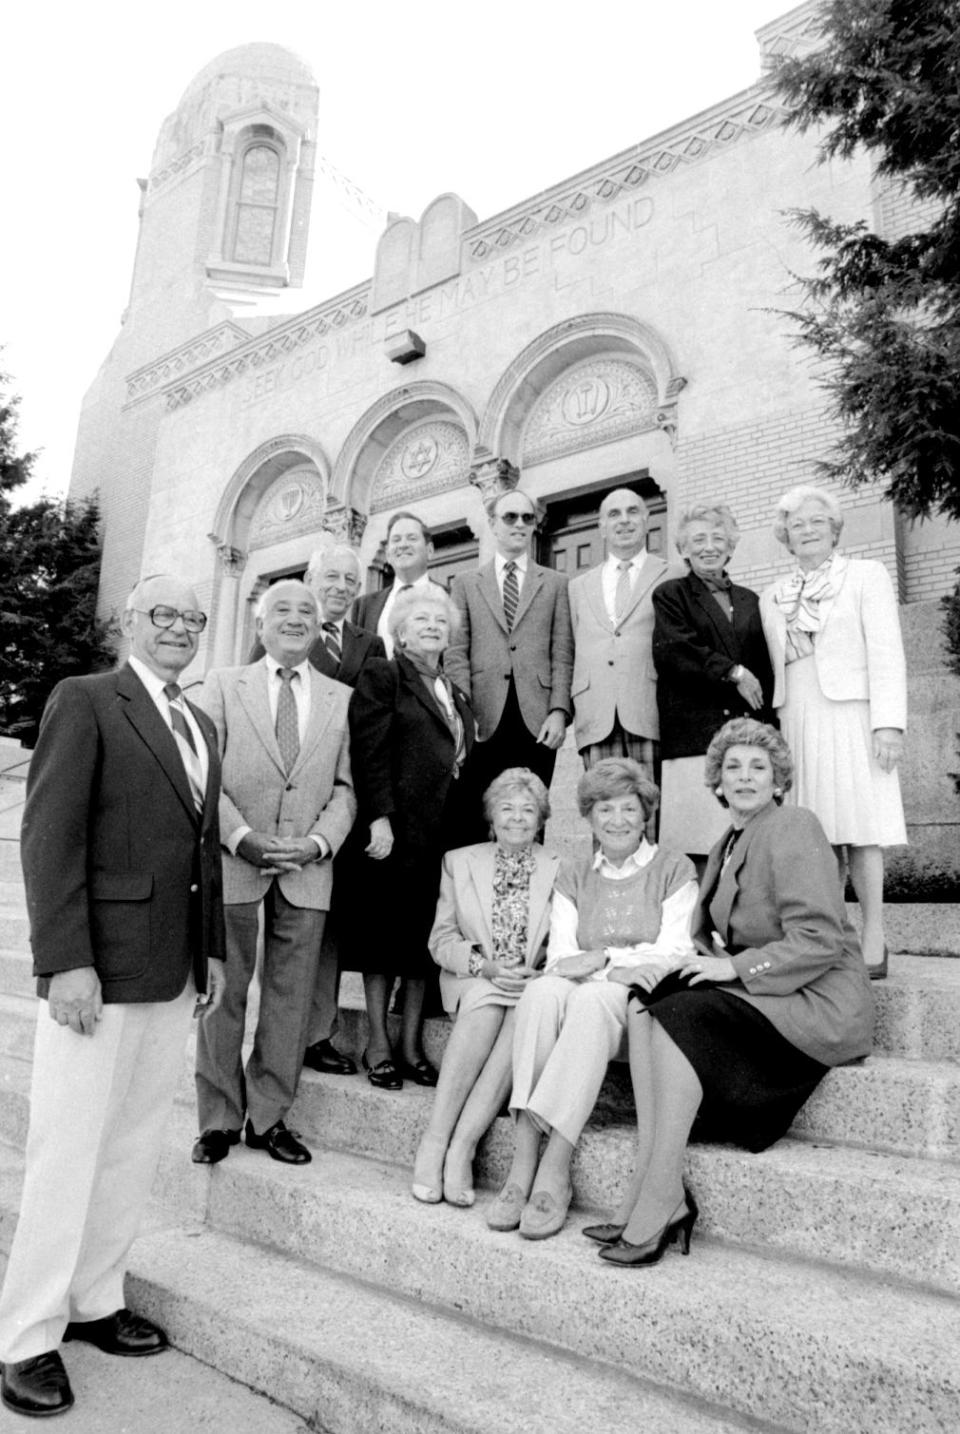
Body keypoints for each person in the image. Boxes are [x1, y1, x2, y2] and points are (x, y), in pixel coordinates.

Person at [0, 575, 226, 1420]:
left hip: (174, 973)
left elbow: (203, 859)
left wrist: (213, 959)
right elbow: (49, 832)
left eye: (191, 618)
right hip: (98, 969)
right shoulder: (88, 699)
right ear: (131, 623)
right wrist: (66, 961)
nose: (177, 628)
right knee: (68, 1151)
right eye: (161, 614)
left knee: (130, 1147)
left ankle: (96, 1300)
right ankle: (26, 1337)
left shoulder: (201, 724)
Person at [593, 718, 873, 1267]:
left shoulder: (793, 825)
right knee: (647, 1003)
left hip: (817, 997)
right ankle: (653, 1187)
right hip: (767, 985)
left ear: (777, 780)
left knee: (684, 1016)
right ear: (717, 780)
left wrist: (734, 969)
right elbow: (709, 934)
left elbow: (819, 938)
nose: (744, 777)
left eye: (758, 767)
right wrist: (686, 965)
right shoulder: (727, 841)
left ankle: (659, 1199)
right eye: (733, 767)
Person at [486, 758, 698, 1240]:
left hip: (637, 1005)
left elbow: (672, 952)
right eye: (605, 810)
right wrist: (616, 958)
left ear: (646, 815)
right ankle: (522, 1163)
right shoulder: (575, 872)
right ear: (589, 817)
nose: (617, 820)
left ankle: (555, 1166)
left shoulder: (673, 867)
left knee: (589, 999)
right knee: (540, 993)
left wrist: (600, 961)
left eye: (628, 809)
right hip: (595, 984)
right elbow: (562, 957)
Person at [192, 580, 355, 1167]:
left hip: (307, 868)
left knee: (290, 999)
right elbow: (203, 774)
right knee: (225, 992)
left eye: (306, 612)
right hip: (236, 858)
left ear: (320, 628)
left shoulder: (340, 696)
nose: (295, 619)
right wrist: (241, 838)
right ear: (258, 625)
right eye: (281, 610)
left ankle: (268, 1118)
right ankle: (217, 1119)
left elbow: (345, 788)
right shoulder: (222, 685)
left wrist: (317, 843)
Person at [760, 485, 907, 977]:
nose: (807, 530)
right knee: (818, 832)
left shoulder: (867, 575)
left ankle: (874, 935)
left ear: (834, 529)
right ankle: (833, 934)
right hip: (799, 718)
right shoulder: (772, 595)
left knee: (863, 827)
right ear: (786, 536)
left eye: (817, 522)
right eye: (797, 524)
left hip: (854, 716)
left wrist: (888, 724)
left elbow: (886, 650)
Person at [345, 585, 476, 1089]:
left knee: (426, 938)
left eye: (439, 621)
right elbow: (369, 750)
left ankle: (411, 1043)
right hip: (396, 831)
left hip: (444, 836)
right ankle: (378, 1044)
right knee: (384, 937)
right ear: (399, 632)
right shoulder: (385, 675)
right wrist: (379, 816)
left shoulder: (454, 690)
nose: (431, 627)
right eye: (420, 620)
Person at [411, 769, 559, 1207]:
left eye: (528, 810)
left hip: (529, 983)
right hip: (476, 978)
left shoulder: (559, 868)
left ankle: (463, 1147)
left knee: (524, 1016)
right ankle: (435, 1142)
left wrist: (541, 971)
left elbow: (565, 939)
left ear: (541, 819)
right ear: (491, 817)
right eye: (507, 809)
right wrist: (486, 966)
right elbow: (441, 940)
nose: (517, 819)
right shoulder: (460, 861)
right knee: (486, 1006)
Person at [652, 503, 775, 871]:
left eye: (718, 538)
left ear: (731, 547)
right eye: (698, 540)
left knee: (748, 848)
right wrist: (734, 672)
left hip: (745, 738)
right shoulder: (671, 594)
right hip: (694, 734)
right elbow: (676, 650)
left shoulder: (751, 600)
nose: (709, 547)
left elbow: (765, 664)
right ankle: (700, 927)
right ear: (683, 549)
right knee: (699, 849)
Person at [446, 487, 572, 798]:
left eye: (527, 518)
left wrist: (559, 711)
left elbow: (562, 653)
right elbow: (456, 652)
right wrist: (464, 712)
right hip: (483, 718)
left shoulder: (556, 584)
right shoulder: (465, 584)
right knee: (481, 814)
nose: (519, 524)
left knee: (532, 809)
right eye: (510, 516)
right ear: (492, 524)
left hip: (538, 719)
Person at [567, 490, 669, 811]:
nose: (623, 520)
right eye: (614, 514)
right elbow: (569, 647)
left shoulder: (670, 574)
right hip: (596, 716)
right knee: (604, 813)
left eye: (632, 511)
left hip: (648, 710)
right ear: (600, 527)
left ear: (646, 519)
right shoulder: (578, 586)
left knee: (648, 814)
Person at [352, 510, 444, 657]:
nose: (403, 545)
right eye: (396, 540)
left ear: (430, 551)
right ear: (388, 554)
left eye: (412, 538)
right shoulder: (364, 606)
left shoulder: (451, 597)